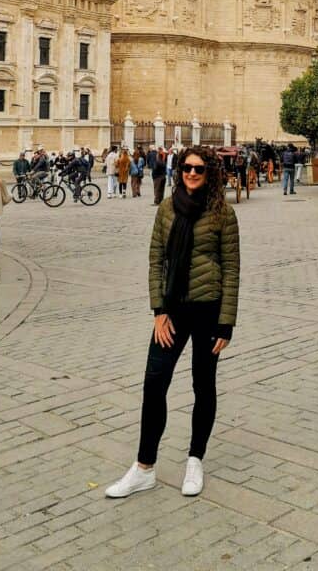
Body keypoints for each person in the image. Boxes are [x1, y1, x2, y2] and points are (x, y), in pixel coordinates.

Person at [105, 146, 240, 500]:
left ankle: (195, 459)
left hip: (209, 310)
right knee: (154, 384)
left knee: (203, 385)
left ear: (210, 173)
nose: (191, 174)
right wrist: (158, 311)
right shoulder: (166, 209)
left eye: (198, 169)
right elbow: (155, 262)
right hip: (173, 311)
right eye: (186, 168)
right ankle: (144, 467)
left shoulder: (223, 214)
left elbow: (232, 269)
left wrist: (226, 324)